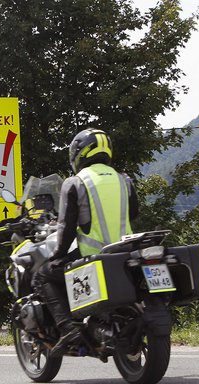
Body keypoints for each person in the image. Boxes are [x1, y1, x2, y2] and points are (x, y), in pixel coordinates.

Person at [34, 128, 139, 357]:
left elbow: (67, 227)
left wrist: (58, 255)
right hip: (126, 254)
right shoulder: (125, 180)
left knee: (43, 275)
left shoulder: (76, 182)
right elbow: (132, 215)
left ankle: (68, 328)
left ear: (79, 154)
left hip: (92, 255)